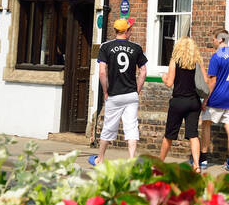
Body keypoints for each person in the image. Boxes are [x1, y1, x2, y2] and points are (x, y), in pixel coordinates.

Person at [90, 19, 147, 167]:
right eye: (130, 29)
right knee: (131, 127)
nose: (131, 31)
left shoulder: (106, 47)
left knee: (108, 127)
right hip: (131, 94)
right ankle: (132, 160)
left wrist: (105, 91)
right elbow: (143, 71)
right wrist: (137, 90)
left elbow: (102, 72)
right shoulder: (136, 48)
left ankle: (100, 159)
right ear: (126, 31)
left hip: (114, 94)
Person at [160, 37, 210, 167]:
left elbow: (170, 83)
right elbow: (206, 83)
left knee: (169, 135)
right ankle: (197, 166)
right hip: (194, 102)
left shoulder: (175, 61)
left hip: (178, 102)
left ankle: (159, 163)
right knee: (193, 135)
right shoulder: (198, 63)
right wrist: (204, 102)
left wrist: (164, 78)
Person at [204, 29, 229, 172]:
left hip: (217, 98)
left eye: (213, 39)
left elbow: (212, 81)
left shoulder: (216, 57)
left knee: (206, 124)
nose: (212, 42)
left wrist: (205, 99)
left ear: (220, 40)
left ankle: (203, 158)